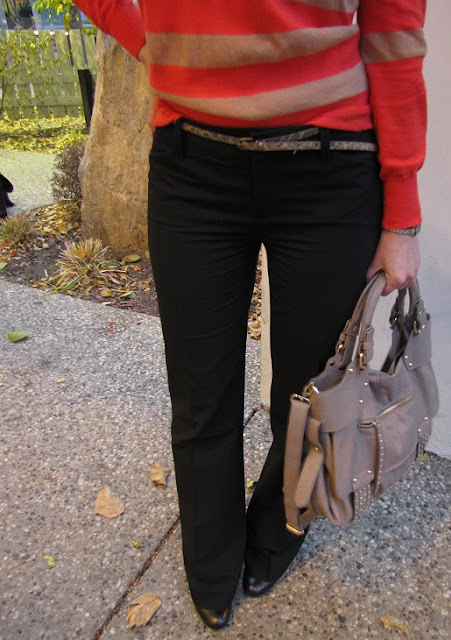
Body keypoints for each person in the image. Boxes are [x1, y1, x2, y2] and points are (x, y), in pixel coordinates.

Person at [75, 0, 427, 630]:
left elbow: (394, 35)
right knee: (200, 392)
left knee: (306, 397)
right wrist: (149, 40)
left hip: (331, 167)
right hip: (192, 165)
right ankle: (211, 556)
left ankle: (277, 527)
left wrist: (402, 211)